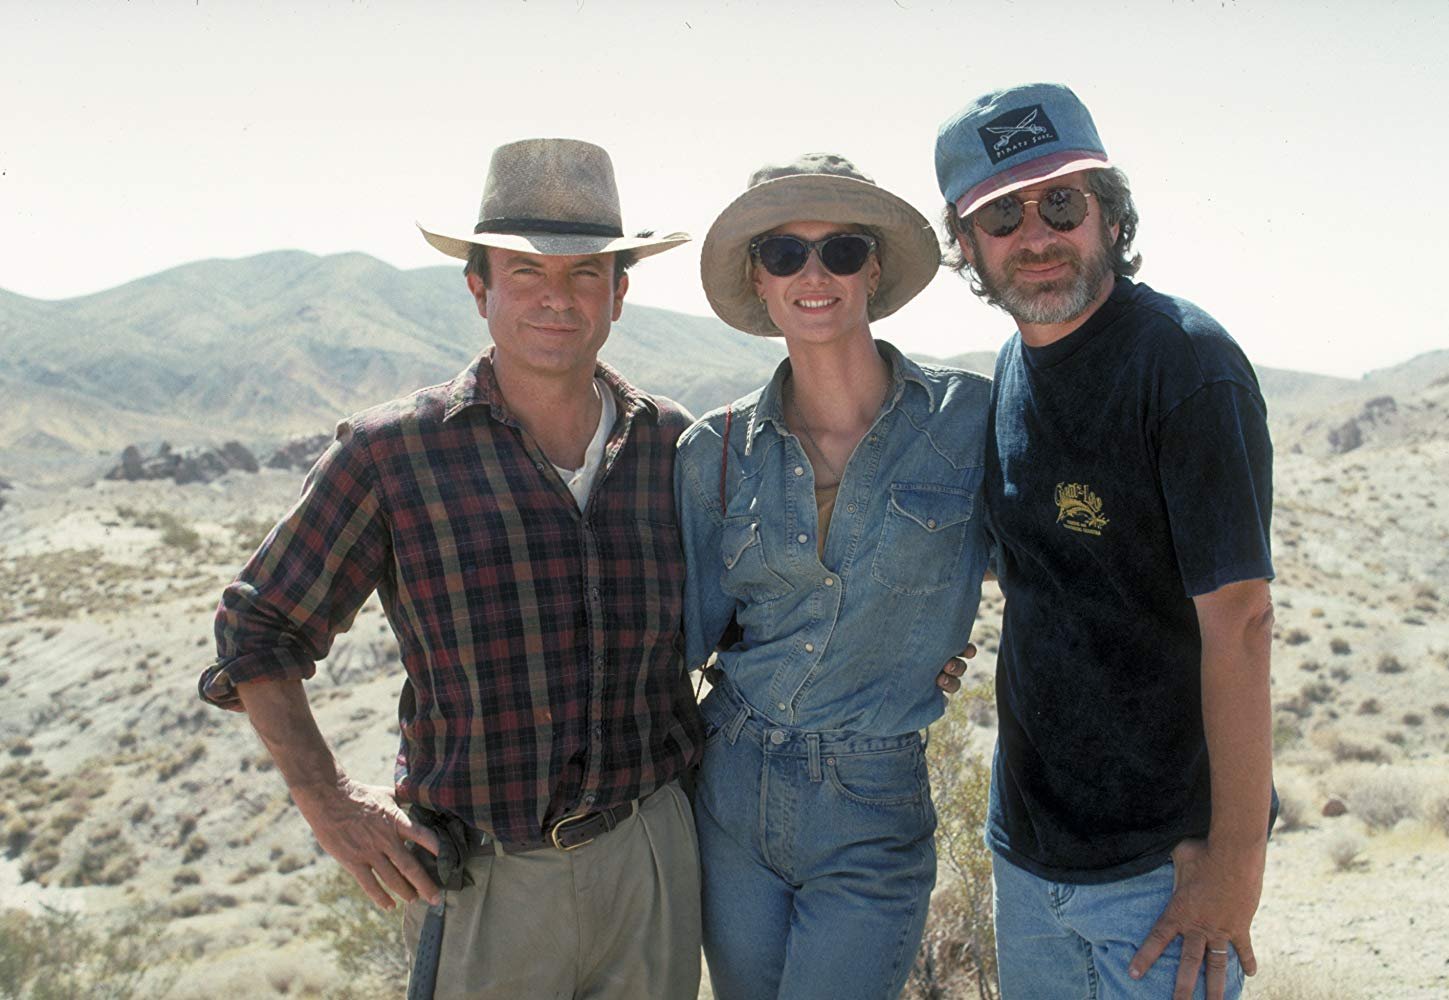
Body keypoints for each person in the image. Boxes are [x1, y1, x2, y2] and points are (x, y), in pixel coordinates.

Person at [198, 138, 706, 1000]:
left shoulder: (672, 443)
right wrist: (329, 803)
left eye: (586, 273)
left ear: (620, 294)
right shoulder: (393, 453)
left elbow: (757, 613)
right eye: (524, 273)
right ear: (478, 289)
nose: (558, 297)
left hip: (651, 855)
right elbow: (259, 629)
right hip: (484, 882)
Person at [933, 83, 1277, 1000]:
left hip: (1158, 874)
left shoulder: (1183, 366)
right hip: (1028, 852)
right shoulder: (1013, 364)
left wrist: (1236, 861)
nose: (1036, 235)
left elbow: (1241, 623)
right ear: (964, 247)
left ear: (1108, 215)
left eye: (1061, 203)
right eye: (1000, 215)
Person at [676, 153, 992, 1000]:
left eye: (840, 250)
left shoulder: (970, 422)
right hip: (730, 783)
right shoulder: (711, 453)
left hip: (871, 798)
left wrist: (942, 646)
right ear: (759, 279)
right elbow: (679, 639)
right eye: (784, 253)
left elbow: (1060, 576)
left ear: (874, 268)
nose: (813, 274)